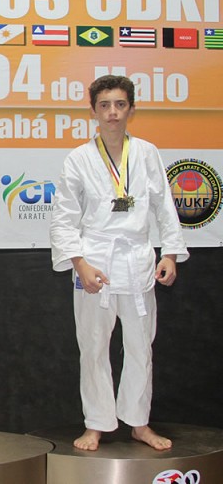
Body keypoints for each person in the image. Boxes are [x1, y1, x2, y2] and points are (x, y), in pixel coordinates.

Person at [50, 74, 189, 451]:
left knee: (141, 346)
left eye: (120, 104)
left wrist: (170, 253)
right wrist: (79, 264)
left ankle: (139, 422)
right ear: (93, 111)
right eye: (105, 105)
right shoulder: (79, 158)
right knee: (94, 346)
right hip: (95, 260)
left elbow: (164, 206)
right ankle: (96, 423)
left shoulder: (147, 153)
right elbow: (63, 218)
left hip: (138, 259)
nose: (112, 112)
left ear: (131, 109)